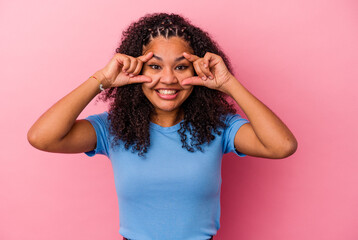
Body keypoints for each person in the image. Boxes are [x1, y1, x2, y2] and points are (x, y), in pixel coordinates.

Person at [27, 12, 297, 240]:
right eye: (155, 66)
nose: (168, 79)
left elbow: (282, 145)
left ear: (198, 71)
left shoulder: (220, 127)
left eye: (181, 67)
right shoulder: (112, 128)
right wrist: (102, 79)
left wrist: (228, 84)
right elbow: (42, 137)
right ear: (135, 71)